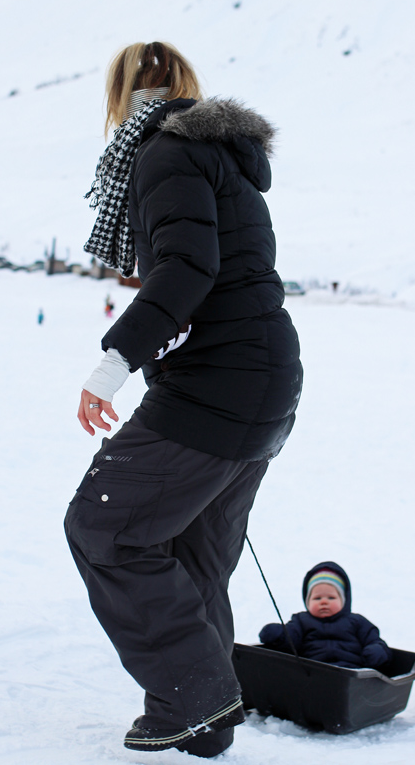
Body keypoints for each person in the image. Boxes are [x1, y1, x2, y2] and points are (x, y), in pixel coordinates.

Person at [64, 41, 302, 758]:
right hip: (263, 380)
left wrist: (112, 363)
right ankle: (206, 717)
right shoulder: (223, 155)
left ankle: (194, 697)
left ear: (121, 96)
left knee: (105, 529)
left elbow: (188, 268)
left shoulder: (164, 151)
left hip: (219, 386)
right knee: (196, 554)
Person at [259, 561, 392, 669]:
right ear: (307, 601)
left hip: (351, 673)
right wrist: (277, 633)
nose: (324, 602)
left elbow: (374, 640)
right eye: (317, 598)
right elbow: (290, 639)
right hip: (314, 673)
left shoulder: (356, 622)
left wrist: (377, 650)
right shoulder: (301, 621)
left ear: (343, 601)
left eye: (331, 598)